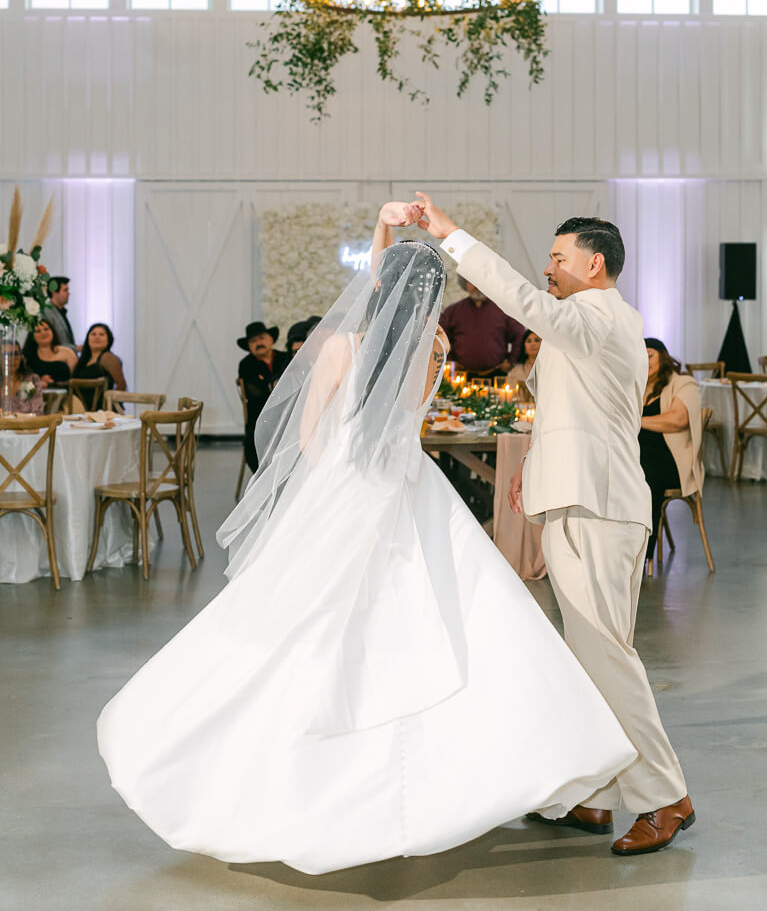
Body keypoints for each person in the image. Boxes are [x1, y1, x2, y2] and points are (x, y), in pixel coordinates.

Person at [96, 200, 635, 876]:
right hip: (408, 492)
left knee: (309, 639)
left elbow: (307, 438)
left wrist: (329, 493)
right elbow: (397, 315)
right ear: (431, 301)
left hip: (345, 493)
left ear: (375, 288)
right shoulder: (430, 352)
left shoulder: (341, 349)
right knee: (452, 628)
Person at [416, 193, 694, 858]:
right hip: (591, 497)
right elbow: (582, 412)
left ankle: (665, 797)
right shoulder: (602, 322)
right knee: (588, 659)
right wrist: (535, 463)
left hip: (594, 507)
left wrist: (452, 236)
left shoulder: (595, 316)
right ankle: (590, 795)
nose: (547, 268)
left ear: (594, 266)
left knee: (605, 655)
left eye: (557, 258)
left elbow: (523, 301)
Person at [639, 337, 704, 568]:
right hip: (639, 459)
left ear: (663, 356)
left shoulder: (683, 383)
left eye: (649, 356)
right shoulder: (636, 386)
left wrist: (637, 421)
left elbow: (677, 420)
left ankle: (643, 555)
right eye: (639, 356)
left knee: (644, 476)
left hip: (672, 462)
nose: (644, 361)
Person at [439, 277, 524, 378]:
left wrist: (511, 361)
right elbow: (440, 336)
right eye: (472, 282)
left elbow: (519, 334)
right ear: (467, 284)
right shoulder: (453, 311)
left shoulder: (503, 310)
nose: (476, 286)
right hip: (460, 375)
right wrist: (448, 360)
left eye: (480, 281)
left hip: (495, 376)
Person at [237, 322, 288, 472]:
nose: (259, 343)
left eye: (262, 338)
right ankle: (261, 477)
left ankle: (290, 476)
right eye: (253, 341)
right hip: (260, 414)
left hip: (287, 411)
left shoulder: (284, 358)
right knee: (252, 439)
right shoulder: (246, 364)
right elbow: (254, 392)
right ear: (249, 347)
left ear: (271, 340)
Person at [22, 320, 77, 386]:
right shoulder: (27, 356)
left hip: (66, 393)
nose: (43, 333)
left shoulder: (68, 352)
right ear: (32, 336)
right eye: (38, 331)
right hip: (37, 395)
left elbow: (76, 380)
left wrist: (54, 384)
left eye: (46, 329)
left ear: (52, 331)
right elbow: (22, 383)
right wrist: (39, 382)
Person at [74, 323, 127, 391]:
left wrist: (113, 401)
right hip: (76, 400)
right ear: (88, 339)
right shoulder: (84, 359)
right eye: (93, 334)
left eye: (101, 334)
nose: (97, 337)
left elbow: (121, 385)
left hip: (98, 401)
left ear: (109, 339)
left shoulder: (107, 357)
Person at [0, 342, 45, 414]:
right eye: (6, 354)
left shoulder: (30, 380)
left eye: (15, 354)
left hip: (26, 424)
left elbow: (37, 412)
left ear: (21, 357)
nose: (11, 358)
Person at [43, 276, 76, 349]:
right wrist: (76, 348)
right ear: (54, 292)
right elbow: (51, 343)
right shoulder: (46, 312)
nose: (68, 293)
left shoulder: (61, 311)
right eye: (65, 290)